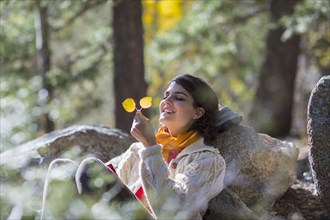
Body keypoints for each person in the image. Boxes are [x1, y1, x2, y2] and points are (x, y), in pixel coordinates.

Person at [42, 74, 242, 219]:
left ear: (197, 113)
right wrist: (148, 147)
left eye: (178, 98)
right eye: (166, 95)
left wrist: (150, 146)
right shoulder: (138, 151)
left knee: (89, 167)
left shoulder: (208, 160)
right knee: (62, 167)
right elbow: (105, 187)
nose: (166, 102)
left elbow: (174, 212)